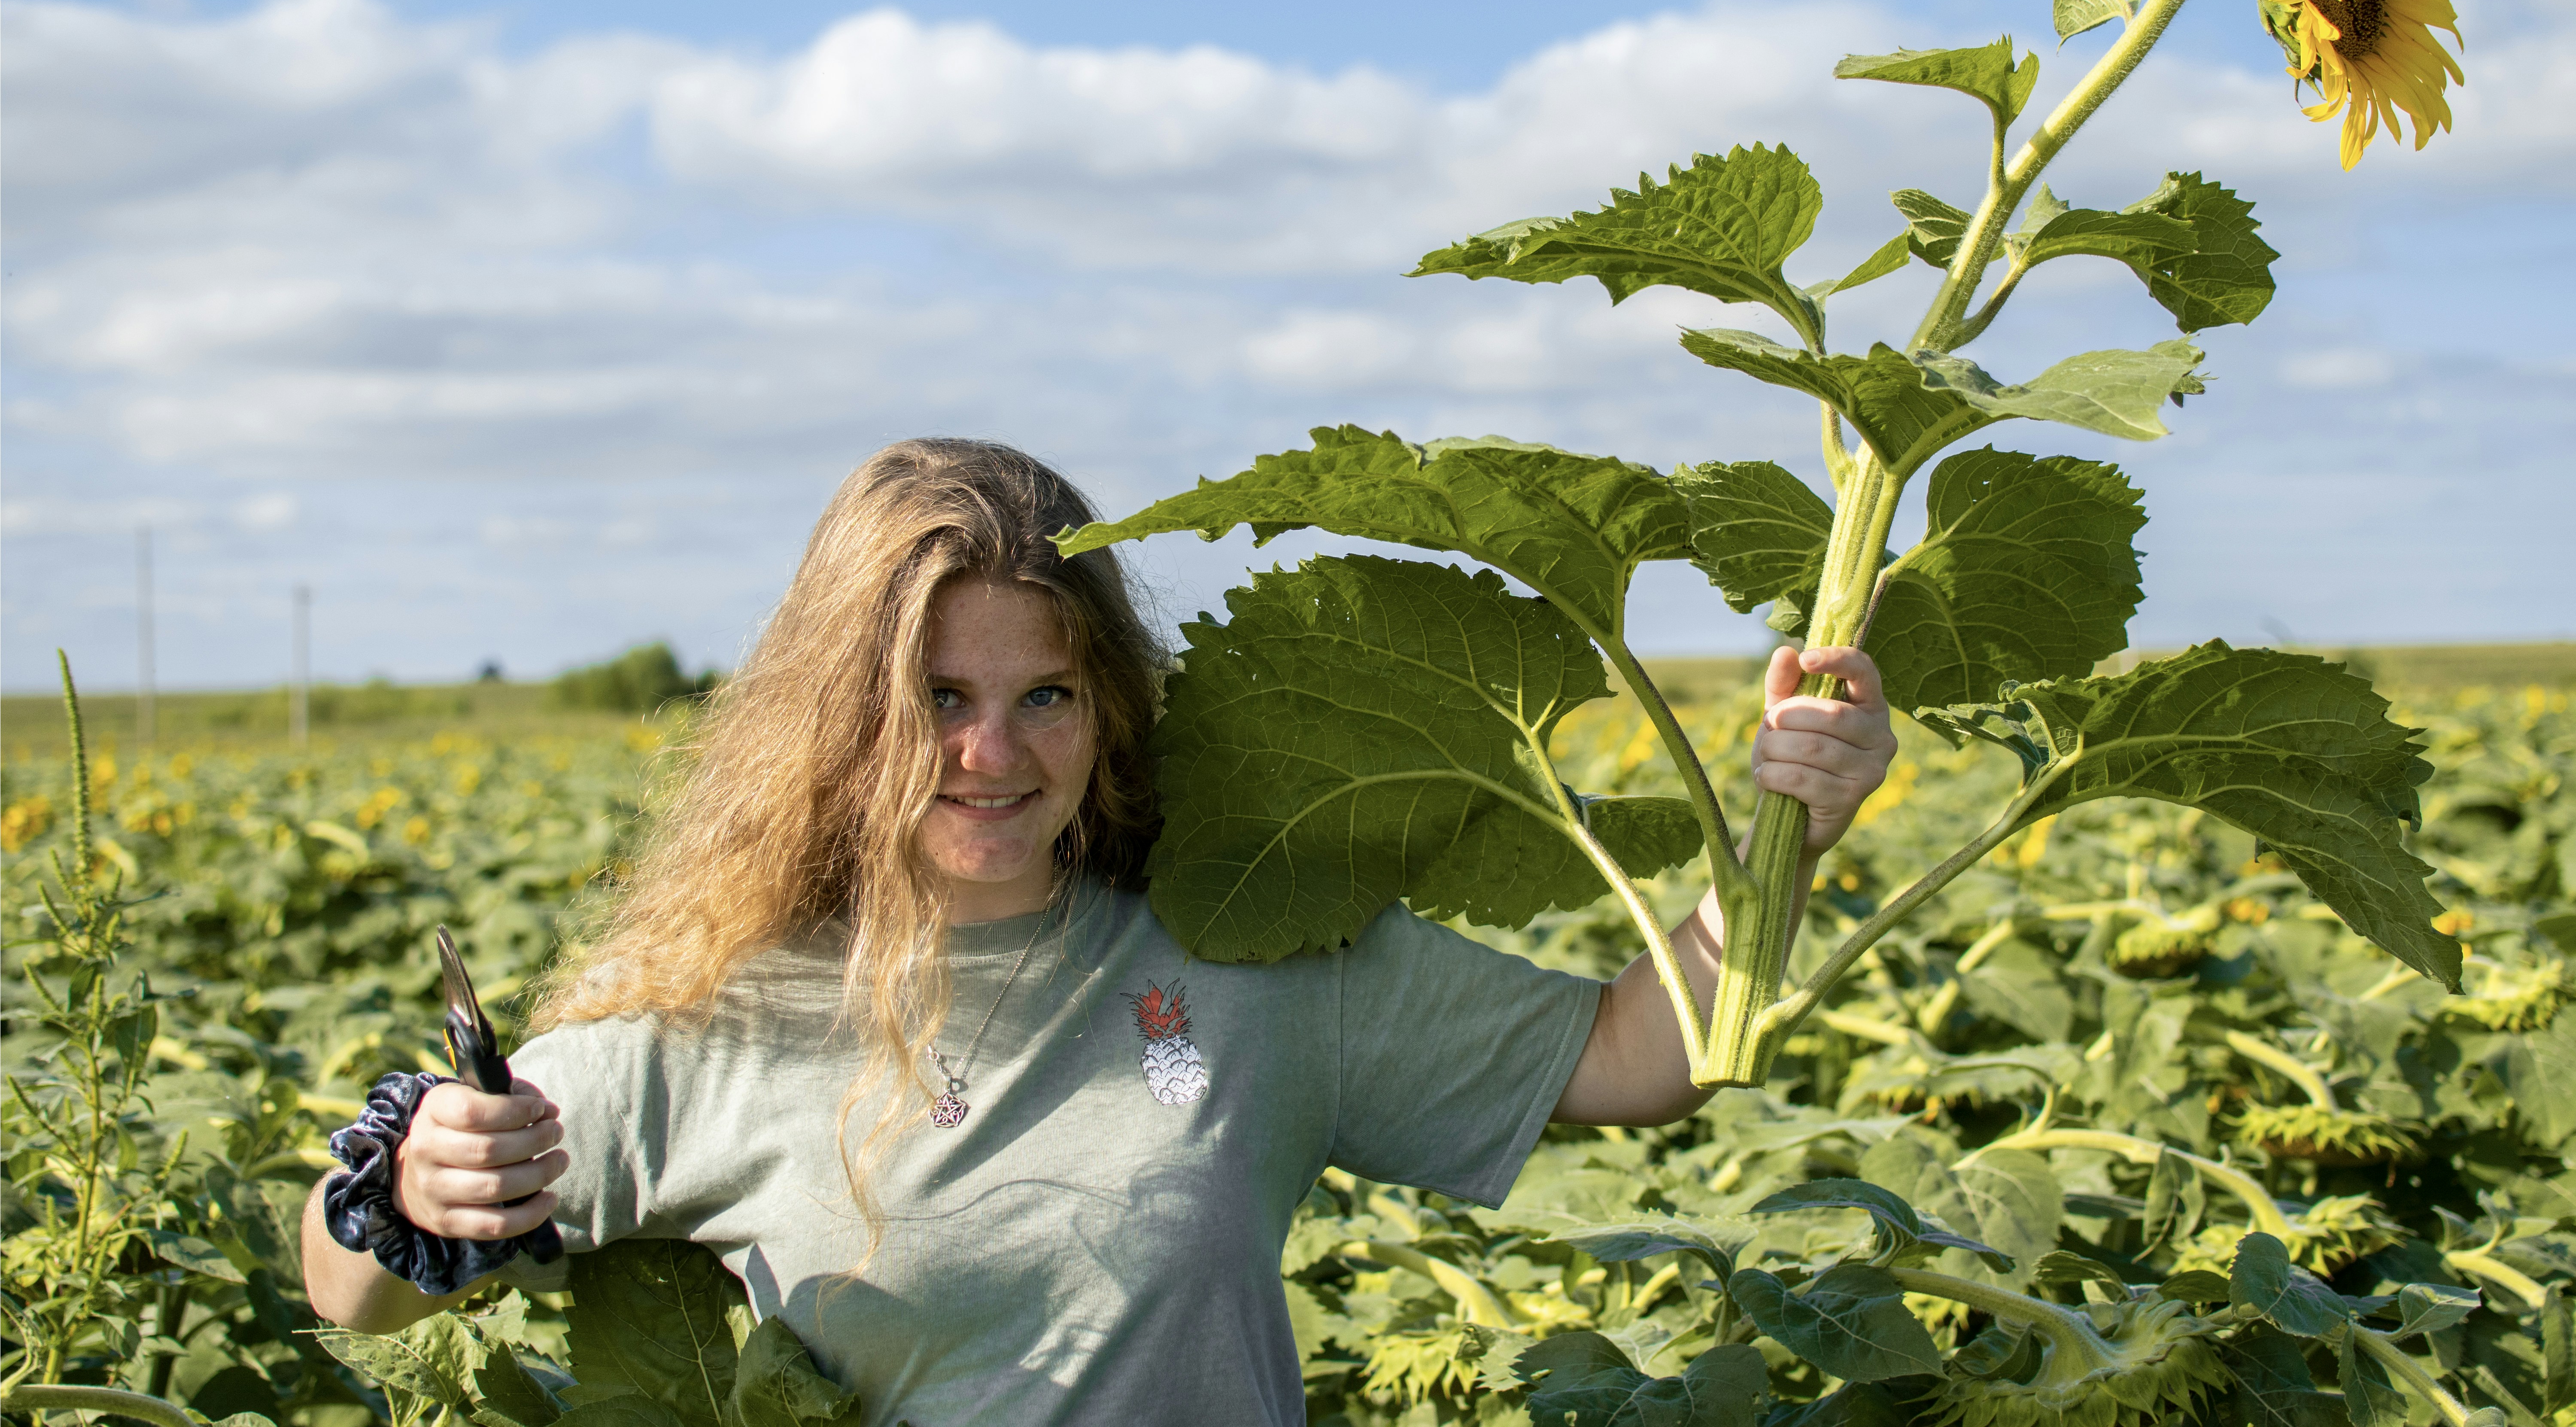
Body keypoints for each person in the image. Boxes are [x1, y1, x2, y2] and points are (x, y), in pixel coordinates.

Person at [300, 438, 1896, 1423]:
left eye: (1042, 695)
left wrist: (1786, 833)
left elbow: (1631, 1059)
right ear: (841, 724)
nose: (990, 754)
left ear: (1106, 705)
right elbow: (343, 1291)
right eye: (935, 701)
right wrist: (411, 1192)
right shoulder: (731, 1017)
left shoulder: (1246, 947)